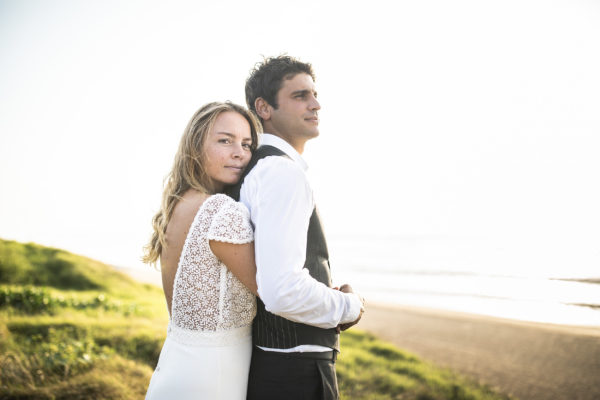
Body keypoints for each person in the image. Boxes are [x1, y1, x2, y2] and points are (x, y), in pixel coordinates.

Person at [226, 55, 365, 400]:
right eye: (300, 96)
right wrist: (350, 306)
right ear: (264, 108)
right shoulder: (281, 173)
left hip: (277, 363)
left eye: (314, 95)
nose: (316, 104)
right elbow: (282, 289)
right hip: (296, 373)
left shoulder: (259, 170)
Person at [142, 101, 262, 399]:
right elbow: (275, 291)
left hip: (175, 366)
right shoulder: (221, 211)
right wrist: (344, 302)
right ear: (195, 146)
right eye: (225, 140)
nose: (240, 153)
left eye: (246, 144)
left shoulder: (176, 205)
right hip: (213, 378)